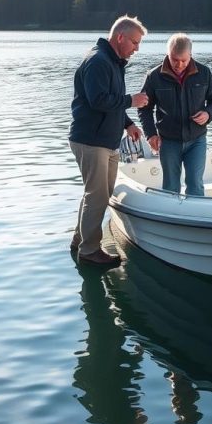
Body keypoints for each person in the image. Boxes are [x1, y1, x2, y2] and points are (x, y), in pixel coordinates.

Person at [69, 15, 149, 266]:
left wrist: (128, 123)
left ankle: (80, 240)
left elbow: (109, 101)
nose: (137, 48)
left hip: (105, 139)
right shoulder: (98, 61)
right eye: (135, 42)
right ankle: (90, 251)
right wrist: (131, 100)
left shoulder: (113, 62)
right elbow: (98, 100)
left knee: (97, 195)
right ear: (120, 37)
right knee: (97, 196)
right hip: (92, 141)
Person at [138, 33, 212, 197]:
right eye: (174, 59)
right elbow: (144, 108)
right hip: (168, 141)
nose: (179, 64)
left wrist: (208, 113)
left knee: (195, 184)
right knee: (170, 187)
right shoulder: (154, 76)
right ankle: (170, 219)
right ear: (168, 54)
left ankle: (196, 220)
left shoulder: (204, 73)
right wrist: (150, 135)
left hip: (197, 140)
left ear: (190, 55)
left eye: (183, 60)